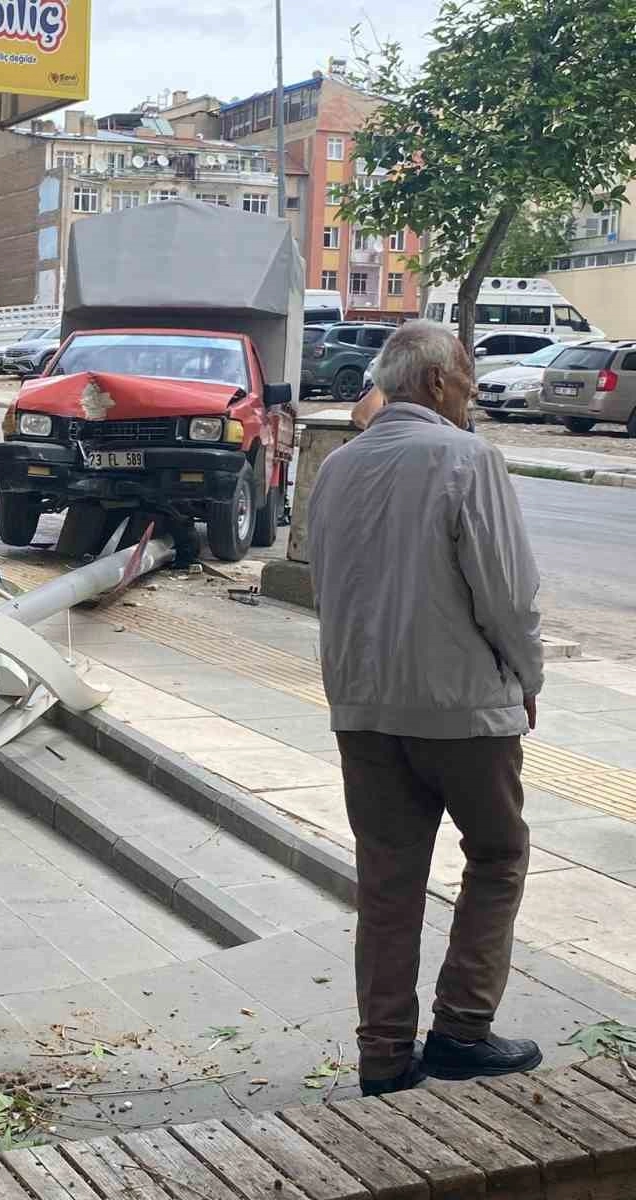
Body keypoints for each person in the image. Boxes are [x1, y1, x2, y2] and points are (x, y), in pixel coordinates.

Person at [308, 319, 544, 1097]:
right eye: (467, 375)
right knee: (499, 855)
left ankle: (383, 1059)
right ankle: (461, 1030)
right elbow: (508, 597)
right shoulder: (468, 458)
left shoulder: (337, 467)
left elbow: (327, 590)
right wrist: (528, 677)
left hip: (363, 711)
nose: (473, 389)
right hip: (461, 711)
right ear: (439, 382)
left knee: (387, 881)